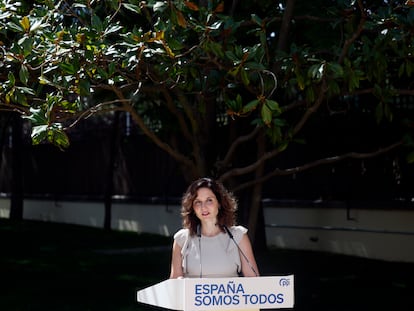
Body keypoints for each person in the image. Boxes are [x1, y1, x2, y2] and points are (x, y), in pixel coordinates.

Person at [169, 177, 260, 278]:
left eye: (209, 200)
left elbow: (254, 281)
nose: (204, 207)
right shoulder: (182, 239)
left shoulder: (238, 236)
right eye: (198, 202)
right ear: (192, 208)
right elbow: (173, 286)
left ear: (219, 203)